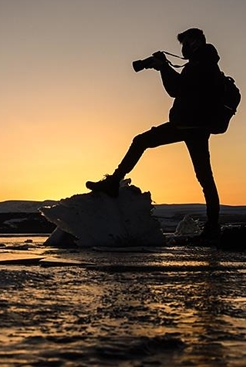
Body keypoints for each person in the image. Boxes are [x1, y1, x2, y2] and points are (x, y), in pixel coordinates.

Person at [86, 28, 223, 240]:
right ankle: (213, 225)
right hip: (191, 125)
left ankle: (113, 182)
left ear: (195, 42)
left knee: (141, 141)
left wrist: (163, 68)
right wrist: (163, 67)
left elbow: (176, 90)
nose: (183, 48)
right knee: (204, 176)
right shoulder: (202, 63)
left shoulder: (203, 65)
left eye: (185, 43)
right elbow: (183, 87)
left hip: (190, 125)